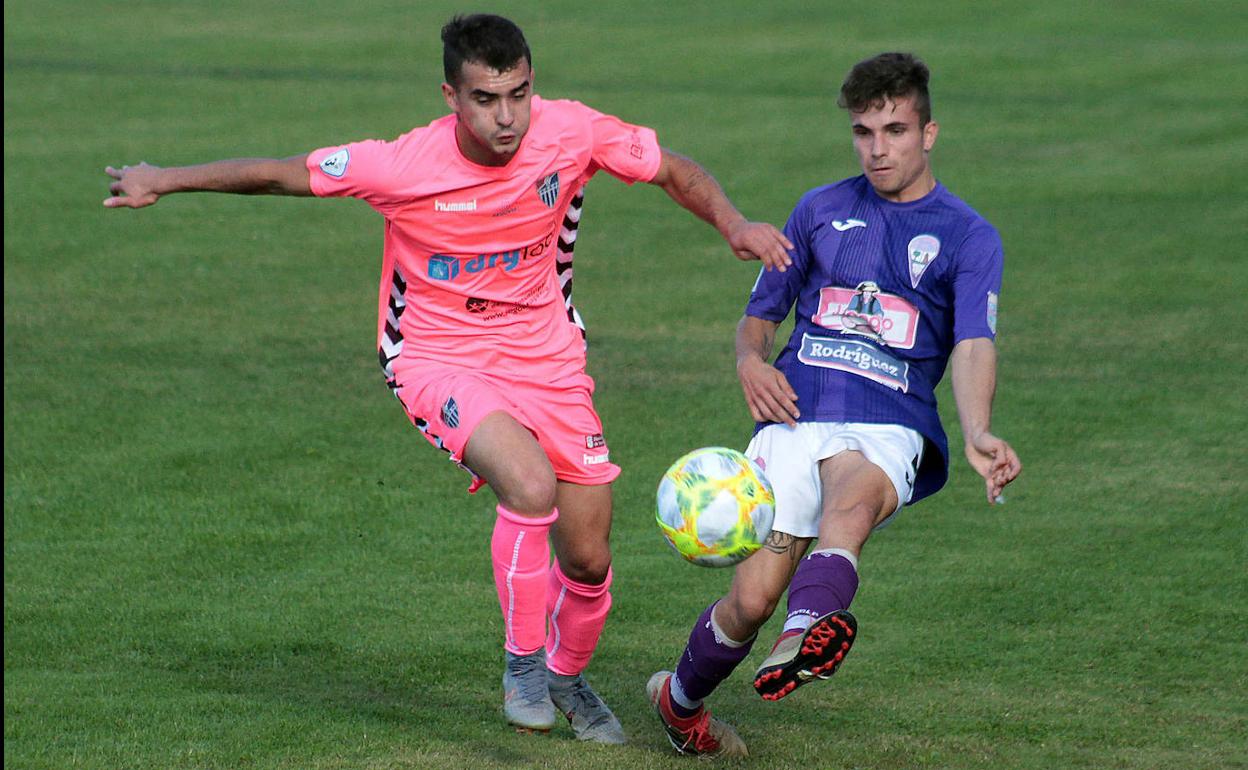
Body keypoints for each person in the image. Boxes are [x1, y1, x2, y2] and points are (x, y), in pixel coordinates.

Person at [103, 14, 793, 744]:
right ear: (451, 97)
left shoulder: (573, 133)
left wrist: (733, 222)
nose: (507, 116)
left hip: (548, 357)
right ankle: (523, 666)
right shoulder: (400, 165)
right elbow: (280, 173)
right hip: (437, 358)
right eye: (487, 98)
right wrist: (163, 181)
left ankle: (565, 675)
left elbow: (672, 168)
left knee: (589, 559)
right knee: (528, 487)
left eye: (519, 94)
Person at [647, 52, 1022, 758]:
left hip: (889, 424)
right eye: (863, 132)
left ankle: (805, 634)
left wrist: (977, 430)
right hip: (796, 412)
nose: (878, 149)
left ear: (928, 133)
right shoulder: (819, 211)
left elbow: (974, 341)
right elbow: (760, 314)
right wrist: (749, 361)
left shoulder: (969, 236)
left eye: (895, 130)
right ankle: (681, 704)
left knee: (849, 507)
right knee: (749, 601)